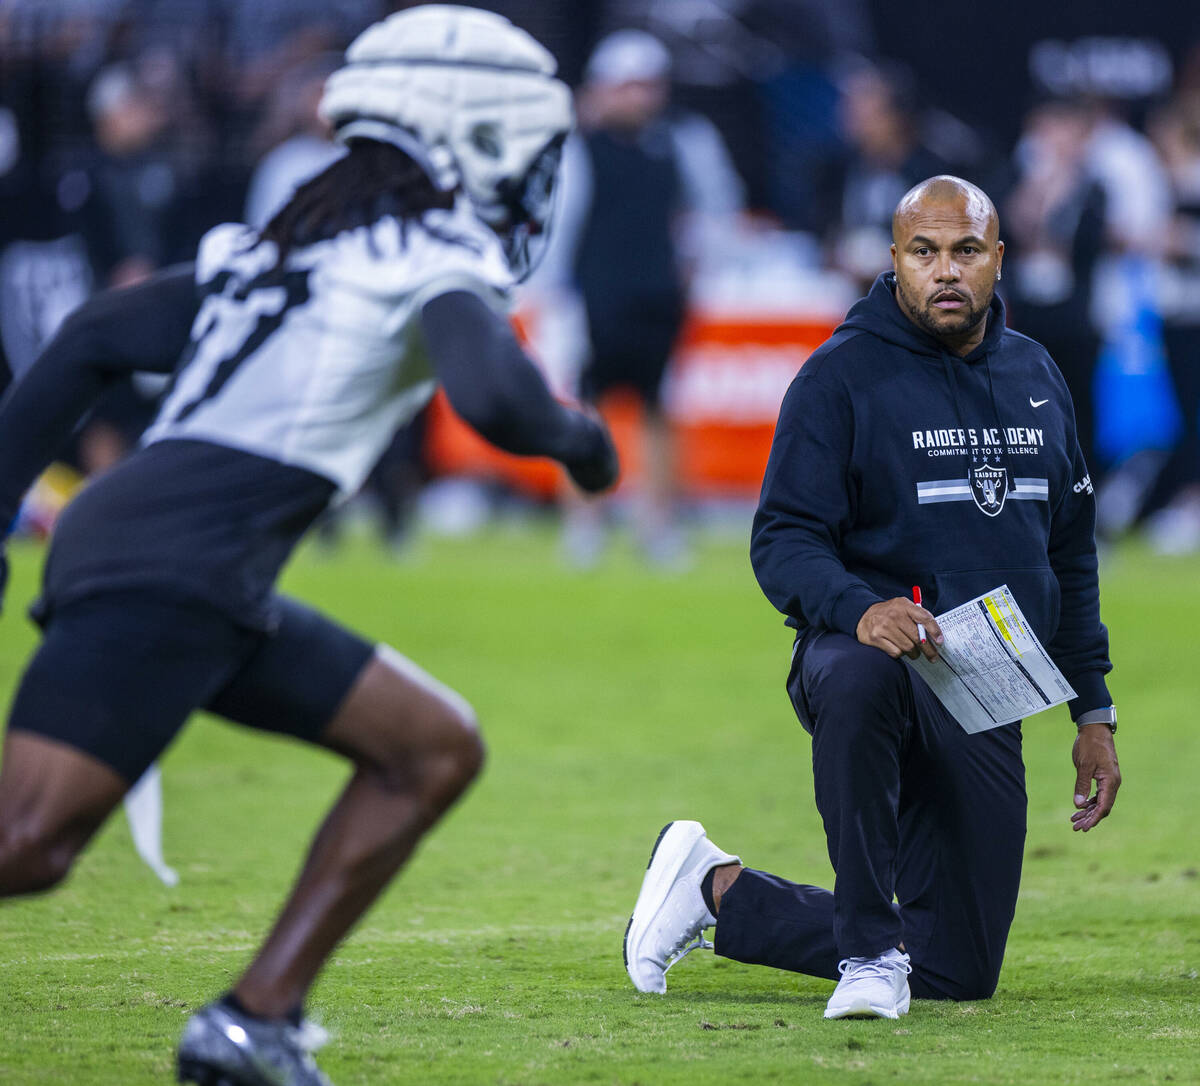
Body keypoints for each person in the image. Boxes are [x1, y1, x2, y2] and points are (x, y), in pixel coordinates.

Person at [0, 8, 616, 1086]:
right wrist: (584, 442)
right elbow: (496, 396)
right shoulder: (431, 248)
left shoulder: (298, 233)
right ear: (474, 135)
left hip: (186, 549)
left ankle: (254, 1023)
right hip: (185, 554)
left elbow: (96, 336)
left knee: (431, 746)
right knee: (26, 846)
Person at [623, 176, 1120, 1020]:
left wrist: (1094, 714)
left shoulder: (1038, 374)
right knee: (860, 676)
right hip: (866, 653)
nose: (946, 272)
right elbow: (782, 538)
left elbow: (1068, 552)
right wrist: (860, 609)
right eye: (924, 253)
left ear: (999, 259)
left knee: (960, 970)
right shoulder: (839, 376)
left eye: (965, 251)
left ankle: (715, 890)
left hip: (985, 690)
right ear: (894, 262)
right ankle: (866, 956)